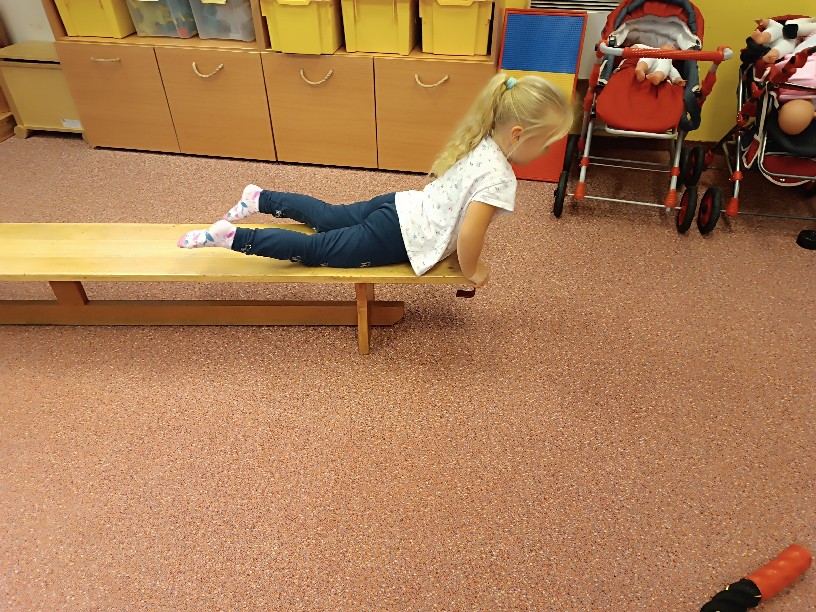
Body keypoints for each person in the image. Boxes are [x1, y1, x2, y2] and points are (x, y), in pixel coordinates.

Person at [177, 74, 573, 288]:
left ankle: (259, 198)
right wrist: (473, 270)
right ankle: (232, 237)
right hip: (399, 235)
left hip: (399, 205)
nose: (546, 152)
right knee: (315, 250)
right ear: (518, 134)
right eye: (545, 143)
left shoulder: (482, 138)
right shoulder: (501, 178)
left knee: (328, 216)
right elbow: (471, 235)